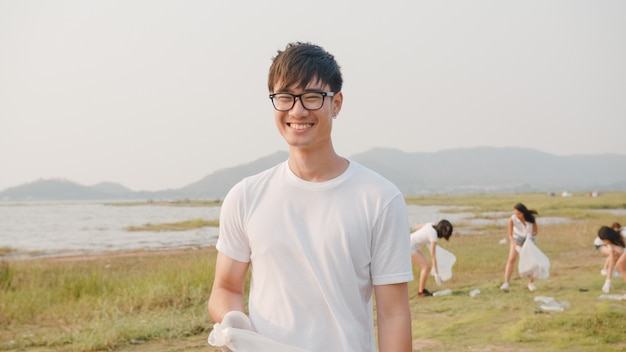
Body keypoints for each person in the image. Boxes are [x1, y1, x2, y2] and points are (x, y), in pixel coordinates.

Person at [207, 42, 413, 352]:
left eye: (312, 97)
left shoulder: (379, 198)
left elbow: (393, 312)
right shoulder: (246, 196)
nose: (297, 110)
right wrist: (234, 320)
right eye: (285, 98)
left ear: (337, 103)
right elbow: (225, 287)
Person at [500, 203, 539, 292]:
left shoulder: (531, 219)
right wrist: (515, 245)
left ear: (523, 213)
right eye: (515, 213)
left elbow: (535, 232)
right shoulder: (512, 219)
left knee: (531, 261)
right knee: (511, 259)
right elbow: (510, 235)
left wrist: (530, 235)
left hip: (529, 239)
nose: (517, 215)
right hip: (517, 238)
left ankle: (531, 283)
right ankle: (506, 283)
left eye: (519, 214)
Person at [410, 220, 454, 297]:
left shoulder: (431, 225)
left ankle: (421, 290)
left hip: (410, 243)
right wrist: (436, 274)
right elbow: (433, 255)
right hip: (410, 247)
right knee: (426, 267)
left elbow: (417, 227)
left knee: (426, 267)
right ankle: (421, 292)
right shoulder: (433, 236)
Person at [598, 225, 626, 293]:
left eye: (605, 240)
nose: (605, 243)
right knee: (620, 265)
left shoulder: (623, 233)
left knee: (620, 265)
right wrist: (608, 280)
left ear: (608, 237)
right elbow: (611, 260)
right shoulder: (611, 244)